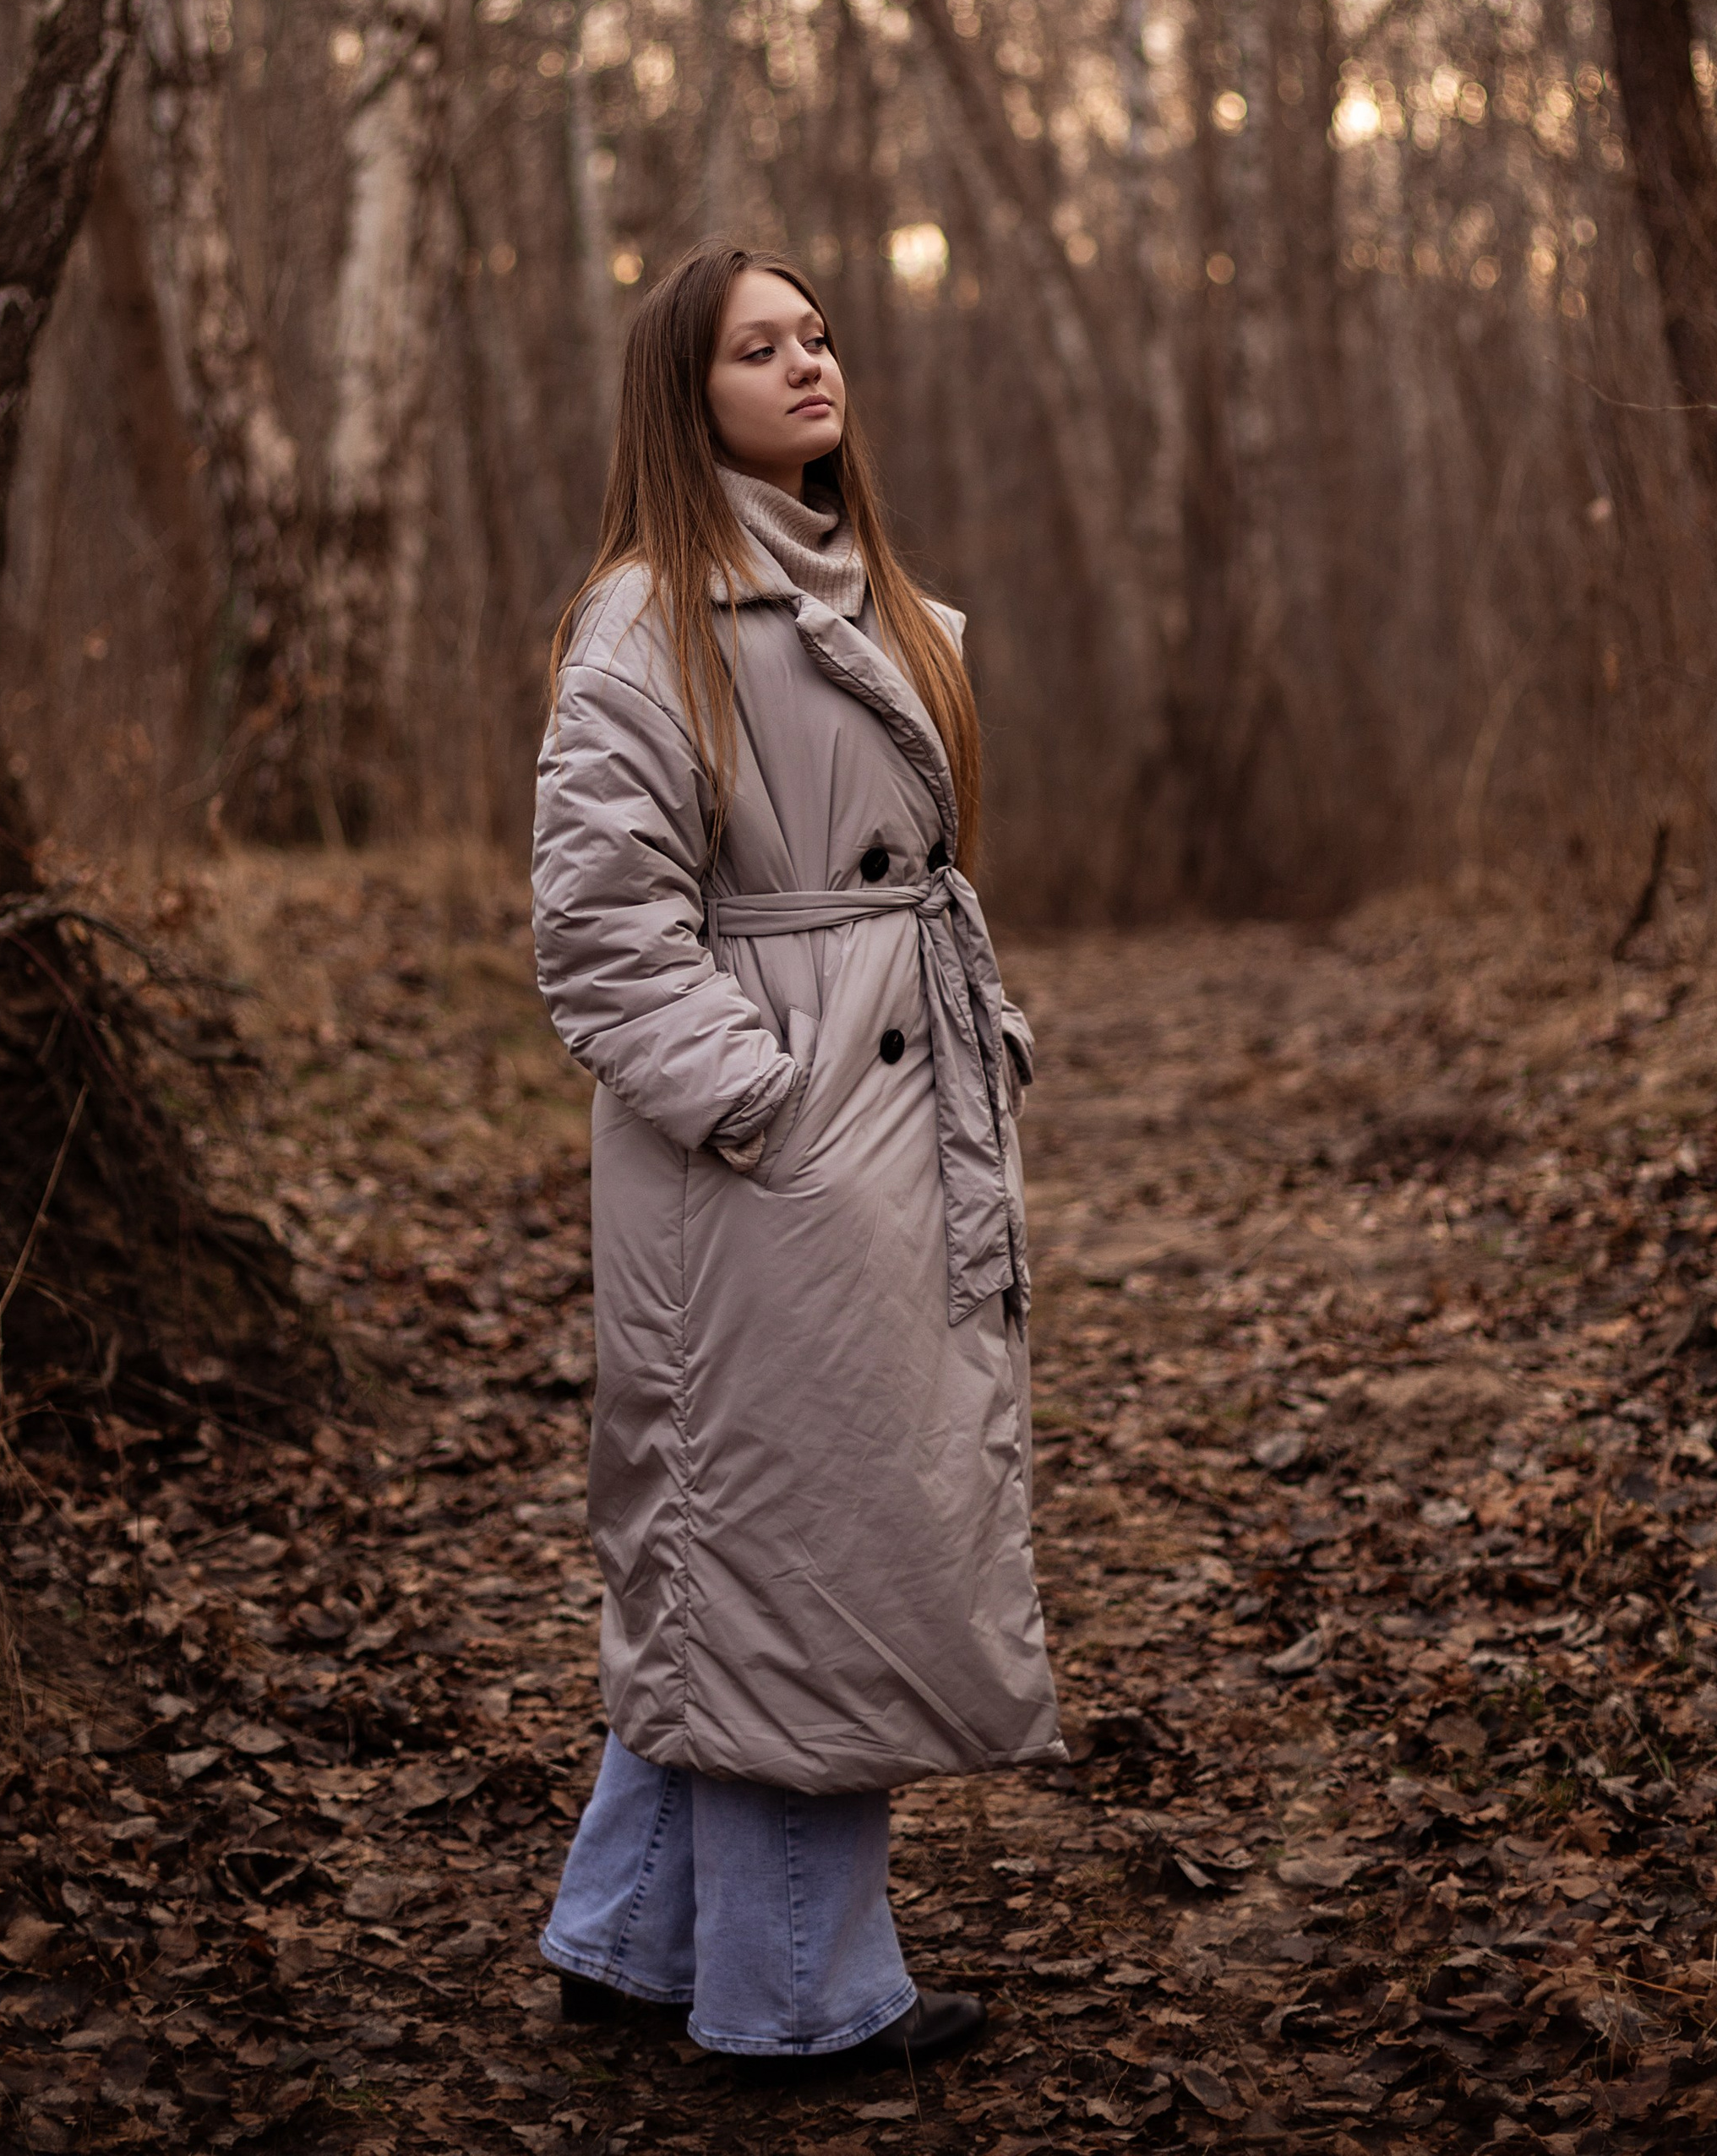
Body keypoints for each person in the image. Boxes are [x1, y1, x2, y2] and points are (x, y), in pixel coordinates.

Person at [530, 237, 1063, 2071]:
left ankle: (630, 1935)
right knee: (798, 1547)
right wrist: (772, 1108)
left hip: (874, 1118)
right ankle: (798, 1998)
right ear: (688, 401)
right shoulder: (648, 621)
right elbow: (602, 932)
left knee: (765, 1532)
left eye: (817, 336)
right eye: (759, 350)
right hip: (774, 1156)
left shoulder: (860, 593)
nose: (807, 366)